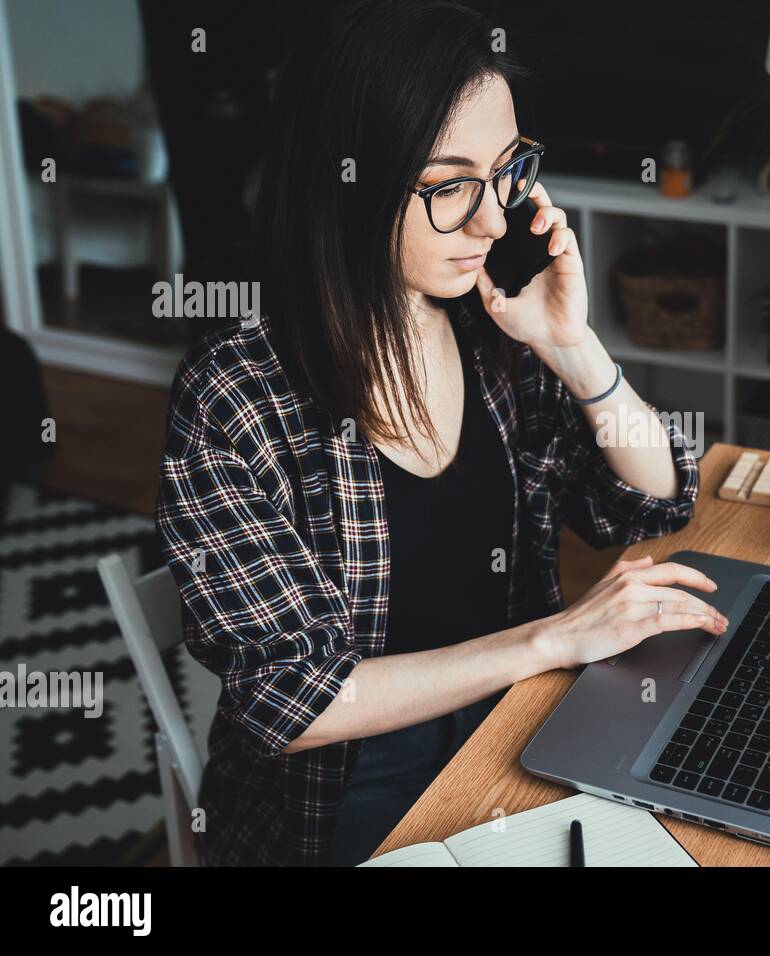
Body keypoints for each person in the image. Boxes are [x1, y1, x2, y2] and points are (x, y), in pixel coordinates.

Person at [154, 0, 727, 866]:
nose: (494, 219)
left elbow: (652, 501)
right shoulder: (235, 399)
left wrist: (575, 347)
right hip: (348, 787)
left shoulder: (491, 329)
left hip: (521, 721)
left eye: (505, 171)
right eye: (450, 185)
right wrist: (550, 639)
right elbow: (291, 702)